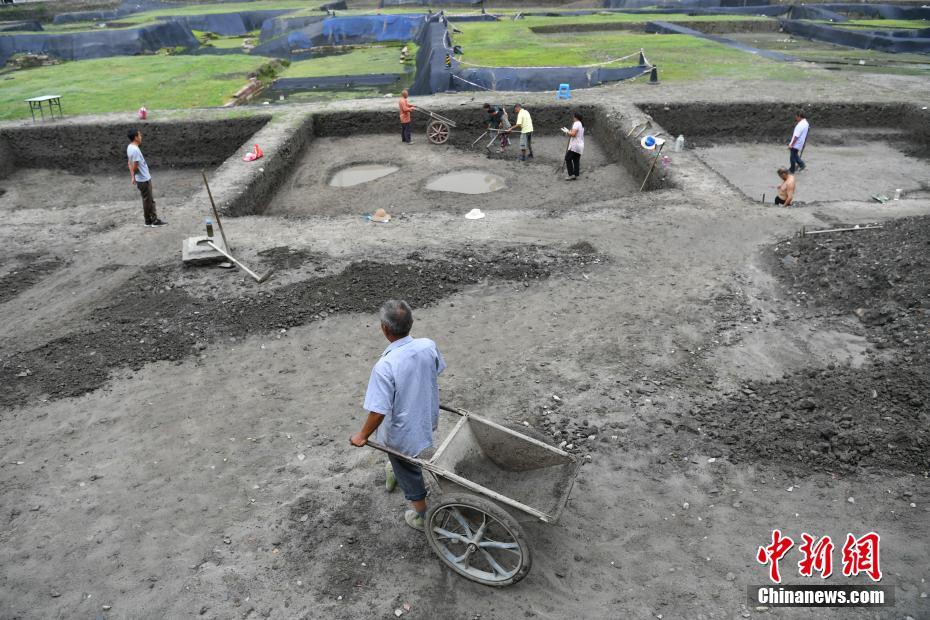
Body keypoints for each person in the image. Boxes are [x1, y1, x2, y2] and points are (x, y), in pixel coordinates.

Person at [350, 300, 446, 531]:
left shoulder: (385, 366)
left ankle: (422, 517)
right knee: (401, 458)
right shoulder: (427, 345)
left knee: (409, 471)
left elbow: (378, 410)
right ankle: (393, 469)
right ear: (411, 323)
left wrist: (362, 435)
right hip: (424, 414)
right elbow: (437, 369)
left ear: (384, 329)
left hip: (403, 433)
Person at [127, 129, 166, 228]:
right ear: (135, 137)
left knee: (146, 200)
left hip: (141, 179)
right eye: (139, 135)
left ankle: (148, 220)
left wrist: (133, 177)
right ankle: (154, 221)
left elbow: (129, 163)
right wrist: (134, 176)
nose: (141, 137)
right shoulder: (135, 150)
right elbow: (135, 166)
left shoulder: (130, 147)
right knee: (149, 200)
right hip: (144, 179)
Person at [561, 111, 584, 180]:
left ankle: (571, 175)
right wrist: (569, 132)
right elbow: (575, 134)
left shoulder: (576, 123)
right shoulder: (581, 124)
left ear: (576, 117)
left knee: (567, 158)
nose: (573, 118)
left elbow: (573, 134)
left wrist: (567, 132)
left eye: (573, 117)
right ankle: (575, 175)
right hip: (580, 145)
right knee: (576, 160)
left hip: (575, 146)